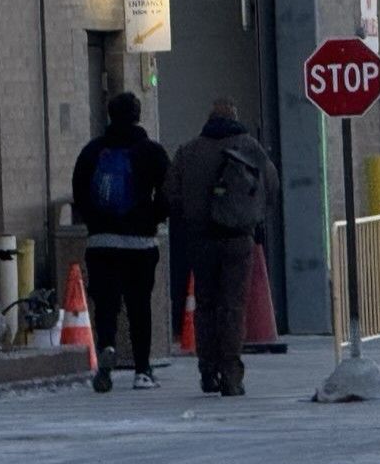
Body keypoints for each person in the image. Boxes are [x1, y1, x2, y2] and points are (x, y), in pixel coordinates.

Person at [166, 99, 279, 397]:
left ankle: (207, 370)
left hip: (201, 239)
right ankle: (231, 374)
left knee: (205, 305)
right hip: (238, 238)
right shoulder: (251, 148)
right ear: (235, 117)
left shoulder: (189, 151)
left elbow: (171, 195)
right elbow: (272, 188)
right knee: (233, 306)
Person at [71, 92, 171, 392]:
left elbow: (79, 193)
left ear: (109, 114)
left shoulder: (92, 152)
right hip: (140, 244)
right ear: (138, 115)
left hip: (101, 242)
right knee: (139, 306)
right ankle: (142, 369)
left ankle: (108, 346)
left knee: (106, 303)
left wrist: (96, 222)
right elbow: (167, 193)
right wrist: (152, 218)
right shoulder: (152, 152)